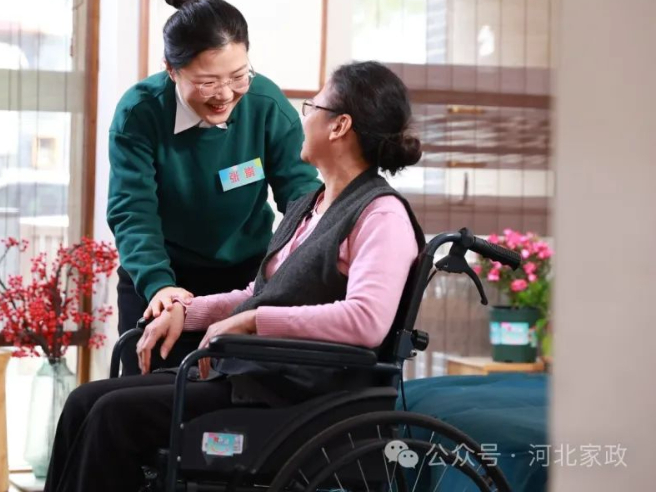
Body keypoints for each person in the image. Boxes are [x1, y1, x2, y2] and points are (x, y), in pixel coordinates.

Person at [43, 60, 426, 492]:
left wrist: (252, 322)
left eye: (313, 107)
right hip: (255, 377)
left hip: (299, 393)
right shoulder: (311, 207)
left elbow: (366, 321)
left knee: (113, 415)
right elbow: (259, 291)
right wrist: (184, 311)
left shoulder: (381, 216)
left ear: (339, 126)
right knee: (83, 401)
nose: (304, 117)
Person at [108, 0, 322, 374]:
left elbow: (302, 197)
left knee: (234, 396)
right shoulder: (140, 113)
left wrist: (299, 269)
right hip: (162, 273)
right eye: (207, 82)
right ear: (171, 70)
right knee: (148, 393)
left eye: (238, 76)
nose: (225, 94)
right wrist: (159, 285)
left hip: (244, 277)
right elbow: (133, 211)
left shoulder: (265, 105)